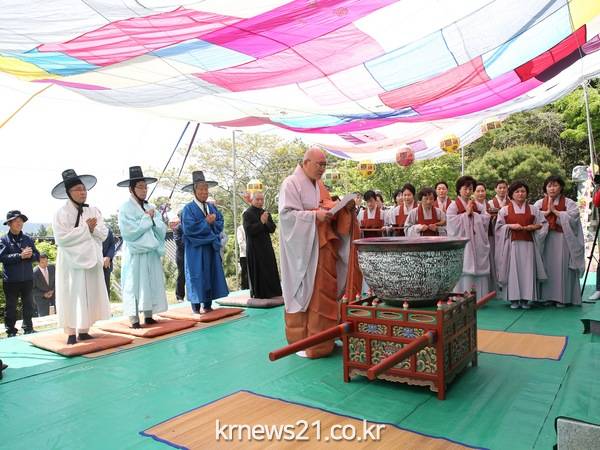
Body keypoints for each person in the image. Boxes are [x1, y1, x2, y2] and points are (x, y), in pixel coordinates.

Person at [279, 147, 359, 359]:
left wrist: (343, 208)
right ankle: (306, 343)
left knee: (326, 292)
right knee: (310, 296)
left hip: (322, 246)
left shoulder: (318, 185)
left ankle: (325, 340)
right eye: (319, 164)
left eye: (324, 165)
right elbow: (287, 217)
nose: (322, 169)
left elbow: (325, 206)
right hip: (303, 252)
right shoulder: (290, 183)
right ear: (306, 163)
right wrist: (315, 216)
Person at [52, 169, 111, 344]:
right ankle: (71, 332)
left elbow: (104, 233)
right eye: (78, 189)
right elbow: (61, 238)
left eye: (84, 189)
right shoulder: (61, 213)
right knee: (71, 293)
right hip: (71, 261)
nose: (83, 192)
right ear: (69, 193)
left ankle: (84, 330)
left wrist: (92, 229)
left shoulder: (93, 210)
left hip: (91, 259)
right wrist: (86, 229)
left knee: (89, 294)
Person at [117, 166, 168, 328]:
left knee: (150, 282)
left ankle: (148, 314)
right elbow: (129, 232)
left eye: (145, 187)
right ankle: (133, 318)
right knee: (134, 283)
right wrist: (147, 219)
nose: (144, 190)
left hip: (150, 251)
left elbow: (161, 228)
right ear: (131, 189)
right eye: (140, 187)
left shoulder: (150, 206)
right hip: (135, 252)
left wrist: (152, 219)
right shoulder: (125, 208)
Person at [181, 171, 229, 314]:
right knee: (197, 275)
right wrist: (206, 222)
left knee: (210, 274)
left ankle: (207, 304)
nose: (204, 192)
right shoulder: (188, 209)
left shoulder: (211, 207)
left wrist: (213, 223)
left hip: (210, 247)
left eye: (206, 189)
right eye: (201, 189)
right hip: (196, 249)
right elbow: (189, 229)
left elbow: (220, 222)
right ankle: (196, 306)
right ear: (194, 191)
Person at [495, 181, 547, 309]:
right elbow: (498, 228)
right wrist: (510, 226)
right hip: (511, 246)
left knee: (527, 272)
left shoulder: (533, 209)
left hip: (529, 245)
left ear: (526, 193)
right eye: (517, 191)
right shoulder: (504, 210)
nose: (520, 194)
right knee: (512, 271)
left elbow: (543, 224)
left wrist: (534, 227)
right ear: (511, 194)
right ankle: (513, 299)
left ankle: (525, 299)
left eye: (523, 191)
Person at [534, 175, 585, 307]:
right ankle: (546, 297)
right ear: (545, 188)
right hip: (545, 239)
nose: (552, 188)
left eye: (555, 185)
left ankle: (563, 298)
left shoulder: (569, 203)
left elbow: (574, 219)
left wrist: (556, 212)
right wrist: (546, 213)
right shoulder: (539, 204)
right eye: (549, 186)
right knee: (546, 267)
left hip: (563, 240)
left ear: (561, 187)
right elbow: (533, 218)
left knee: (562, 268)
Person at [446, 176, 491, 300]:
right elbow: (451, 225)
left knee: (478, 269)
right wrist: (466, 215)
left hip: (476, 242)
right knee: (463, 268)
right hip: (463, 244)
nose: (468, 191)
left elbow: (486, 218)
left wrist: (474, 215)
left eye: (470, 189)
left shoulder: (477, 205)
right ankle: (461, 297)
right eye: (465, 189)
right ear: (459, 190)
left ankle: (480, 298)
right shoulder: (453, 206)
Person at [0, 210, 39, 336]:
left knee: (29, 305)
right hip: (11, 280)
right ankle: (11, 331)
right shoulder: (3, 240)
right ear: (9, 224)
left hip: (27, 279)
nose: (19, 223)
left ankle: (28, 328)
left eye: (21, 221)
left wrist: (30, 255)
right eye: (16, 221)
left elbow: (37, 255)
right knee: (11, 307)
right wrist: (20, 256)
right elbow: (2, 257)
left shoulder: (27, 239)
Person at [243, 191, 282, 299]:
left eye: (262, 200)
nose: (260, 202)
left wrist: (265, 222)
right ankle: (259, 293)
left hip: (266, 245)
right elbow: (249, 230)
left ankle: (273, 292)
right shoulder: (247, 213)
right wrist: (261, 223)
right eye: (258, 199)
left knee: (270, 267)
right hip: (254, 247)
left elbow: (272, 228)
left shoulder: (265, 213)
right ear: (252, 200)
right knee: (258, 270)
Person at [32, 253, 55, 317]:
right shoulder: (34, 273)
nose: (45, 264)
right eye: (42, 262)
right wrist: (44, 294)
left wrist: (53, 290)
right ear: (38, 262)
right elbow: (32, 289)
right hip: (41, 299)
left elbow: (56, 280)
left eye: (46, 261)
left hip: (54, 297)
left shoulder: (52, 267)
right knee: (44, 317)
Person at [170, 213, 186, 301]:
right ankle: (180, 296)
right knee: (182, 275)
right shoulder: (177, 229)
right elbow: (179, 242)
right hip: (181, 256)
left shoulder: (191, 226)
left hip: (191, 254)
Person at [102, 228, 115, 297]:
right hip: (91, 266)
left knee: (106, 291)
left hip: (105, 266)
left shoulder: (107, 231)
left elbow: (112, 245)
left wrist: (108, 257)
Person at [236, 224, 249, 290]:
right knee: (245, 273)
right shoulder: (240, 228)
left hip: (253, 254)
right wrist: (249, 250)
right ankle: (244, 288)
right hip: (244, 255)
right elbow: (240, 242)